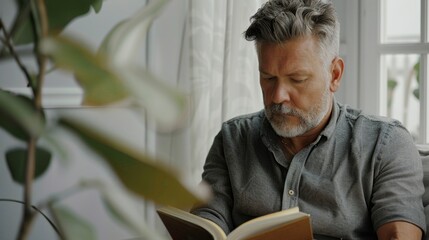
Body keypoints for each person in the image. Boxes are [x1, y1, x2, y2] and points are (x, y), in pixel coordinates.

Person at [190, 0, 426, 239]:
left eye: (297, 79)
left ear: (334, 75)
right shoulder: (232, 140)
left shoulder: (385, 146)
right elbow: (207, 221)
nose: (278, 96)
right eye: (269, 78)